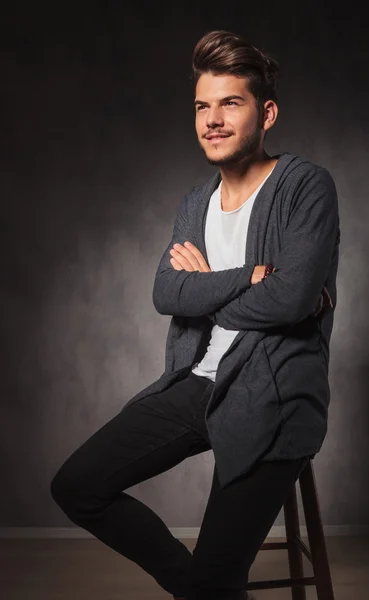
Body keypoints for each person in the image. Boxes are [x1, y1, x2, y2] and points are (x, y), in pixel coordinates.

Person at [50, 29, 340, 600]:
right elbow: (167, 294)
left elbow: (291, 300)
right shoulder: (195, 202)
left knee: (216, 578)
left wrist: (205, 287)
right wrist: (245, 278)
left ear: (267, 112)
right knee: (77, 486)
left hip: (271, 398)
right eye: (202, 106)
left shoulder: (305, 185)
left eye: (230, 103)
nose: (212, 119)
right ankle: (202, 590)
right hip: (196, 386)